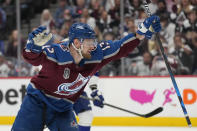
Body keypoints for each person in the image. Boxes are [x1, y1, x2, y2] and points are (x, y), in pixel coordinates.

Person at [12, 15, 161, 131]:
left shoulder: (97, 53)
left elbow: (121, 47)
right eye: (89, 42)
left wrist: (141, 32)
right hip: (37, 102)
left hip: (63, 108)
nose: (93, 46)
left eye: (93, 41)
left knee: (85, 116)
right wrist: (32, 47)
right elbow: (33, 58)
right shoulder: (56, 53)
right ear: (76, 43)